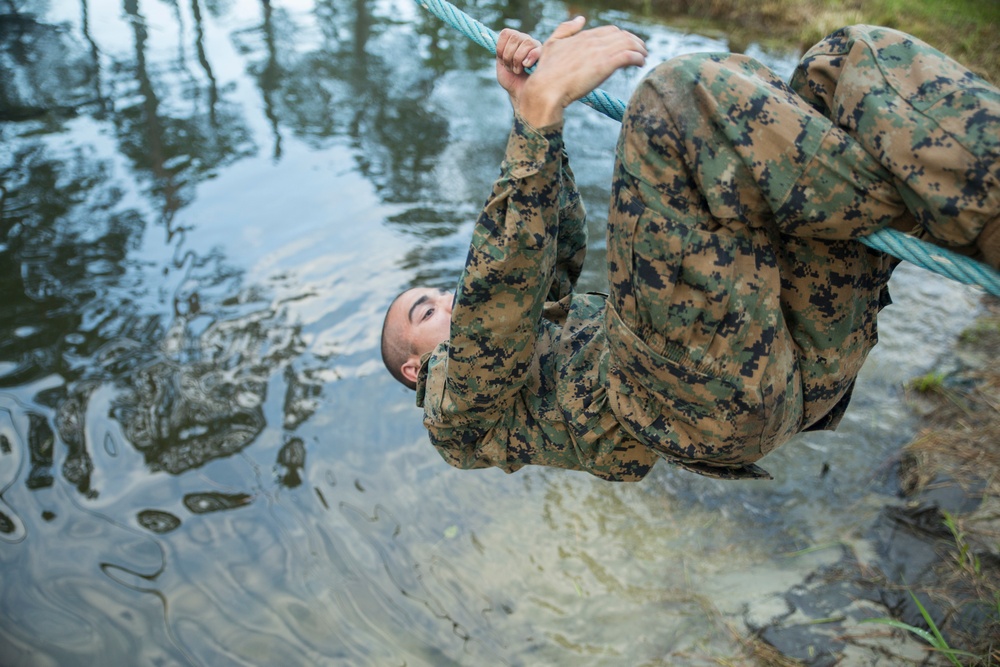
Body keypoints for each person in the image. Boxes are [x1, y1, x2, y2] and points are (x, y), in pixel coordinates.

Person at [381, 18, 1000, 482]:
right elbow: (495, 317)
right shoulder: (453, 415)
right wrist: (536, 118)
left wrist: (536, 111)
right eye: (426, 312)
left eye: (438, 292)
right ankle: (940, 201)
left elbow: (550, 253)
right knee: (673, 101)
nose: (449, 298)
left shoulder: (526, 329)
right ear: (415, 366)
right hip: (707, 405)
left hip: (795, 339)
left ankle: (978, 199)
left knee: (840, 63)